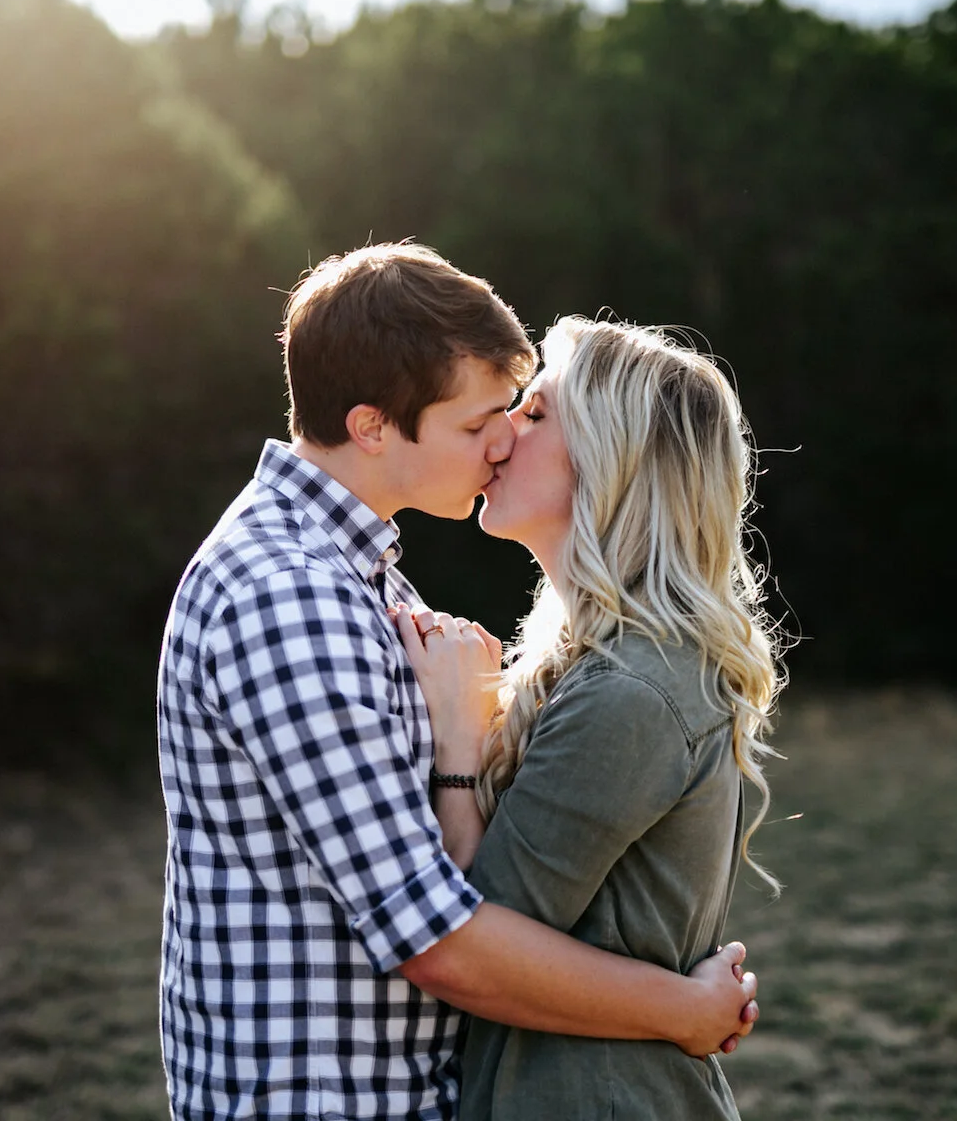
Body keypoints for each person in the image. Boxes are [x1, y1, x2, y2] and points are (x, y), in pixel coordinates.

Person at [155, 244, 759, 1121]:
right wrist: (686, 1009)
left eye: (524, 413)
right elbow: (437, 934)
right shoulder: (286, 595)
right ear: (372, 426)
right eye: (480, 423)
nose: (504, 435)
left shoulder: (366, 580)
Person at [394, 315, 783, 1120]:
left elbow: (481, 941)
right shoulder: (600, 664)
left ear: (614, 463)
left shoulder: (633, 689)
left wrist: (458, 743)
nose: (499, 434)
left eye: (535, 414)